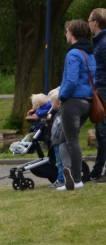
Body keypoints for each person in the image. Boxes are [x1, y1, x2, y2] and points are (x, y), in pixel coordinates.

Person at [57, 19, 96, 191]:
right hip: (87, 101)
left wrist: (61, 96)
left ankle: (76, 178)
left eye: (66, 31)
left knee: (71, 141)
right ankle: (69, 173)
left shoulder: (73, 54)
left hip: (72, 102)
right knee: (62, 139)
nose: (65, 34)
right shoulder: (89, 52)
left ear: (71, 33)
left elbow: (71, 81)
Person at [88, 8, 106, 182]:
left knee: (104, 130)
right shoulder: (99, 41)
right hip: (100, 88)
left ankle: (101, 169)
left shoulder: (104, 42)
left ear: (95, 22)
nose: (88, 24)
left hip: (104, 88)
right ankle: (98, 169)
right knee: (100, 132)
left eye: (89, 21)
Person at [47, 90, 65, 189]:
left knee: (60, 162)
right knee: (60, 162)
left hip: (58, 142)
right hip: (56, 142)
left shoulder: (60, 115)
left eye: (52, 102)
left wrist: (54, 141)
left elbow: (58, 130)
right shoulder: (57, 114)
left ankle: (61, 180)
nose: (51, 104)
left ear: (58, 104)